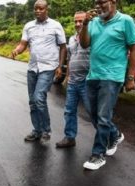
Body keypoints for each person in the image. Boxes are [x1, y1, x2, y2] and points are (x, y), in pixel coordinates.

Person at [79, 0, 135, 170]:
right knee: (92, 113)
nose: (98, 6)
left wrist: (130, 77)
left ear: (113, 2)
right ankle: (115, 134)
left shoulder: (126, 21)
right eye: (96, 3)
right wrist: (85, 23)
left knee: (103, 115)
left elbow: (134, 48)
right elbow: (84, 44)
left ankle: (98, 155)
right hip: (93, 74)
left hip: (113, 75)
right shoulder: (94, 21)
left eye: (102, 2)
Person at [11, 0, 67, 142]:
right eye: (35, 8)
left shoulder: (56, 25)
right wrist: (16, 51)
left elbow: (63, 47)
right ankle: (36, 130)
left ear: (46, 9)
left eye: (41, 8)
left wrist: (60, 66)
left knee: (39, 98)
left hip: (48, 67)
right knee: (32, 101)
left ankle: (46, 130)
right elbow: (23, 44)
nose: (37, 11)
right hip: (32, 67)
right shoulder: (28, 26)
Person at [55, 11, 91, 148]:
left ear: (86, 22)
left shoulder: (92, 37)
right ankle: (70, 137)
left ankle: (110, 136)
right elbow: (70, 59)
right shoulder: (71, 39)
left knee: (92, 111)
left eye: (80, 21)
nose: (77, 24)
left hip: (87, 81)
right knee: (69, 111)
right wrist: (67, 77)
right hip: (73, 81)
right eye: (75, 21)